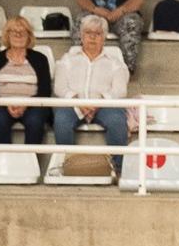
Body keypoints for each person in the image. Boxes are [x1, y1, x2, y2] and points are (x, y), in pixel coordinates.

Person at [52, 14, 130, 173]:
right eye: (88, 33)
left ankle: (118, 169)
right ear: (81, 36)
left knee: (117, 120)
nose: (93, 37)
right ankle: (68, 166)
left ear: (104, 37)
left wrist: (98, 102)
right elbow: (59, 87)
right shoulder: (67, 59)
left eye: (98, 34)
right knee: (61, 120)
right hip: (73, 104)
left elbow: (120, 90)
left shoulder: (115, 63)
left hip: (105, 106)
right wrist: (78, 102)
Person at [0, 16, 53, 145]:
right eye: (14, 31)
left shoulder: (40, 59)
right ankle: (5, 160)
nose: (18, 35)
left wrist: (25, 104)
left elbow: (45, 89)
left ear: (29, 36)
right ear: (7, 35)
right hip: (1, 105)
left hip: (32, 105)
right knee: (0, 119)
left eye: (23, 32)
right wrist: (7, 104)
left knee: (35, 120)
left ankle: (31, 161)